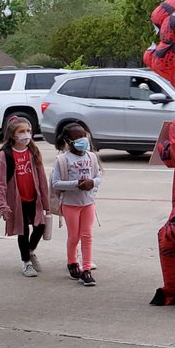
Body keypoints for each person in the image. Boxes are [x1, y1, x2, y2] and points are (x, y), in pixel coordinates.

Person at [0, 115, 49, 278]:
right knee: (22, 231)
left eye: (28, 131)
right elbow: (1, 182)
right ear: (13, 135)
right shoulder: (6, 154)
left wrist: (46, 202)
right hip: (17, 201)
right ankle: (26, 262)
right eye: (22, 131)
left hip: (34, 198)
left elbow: (42, 178)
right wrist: (3, 205)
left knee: (40, 226)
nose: (26, 135)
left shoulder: (33, 151)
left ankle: (30, 250)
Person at [50, 122, 102, 287]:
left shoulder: (91, 157)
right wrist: (76, 184)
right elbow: (56, 183)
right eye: (77, 137)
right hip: (70, 204)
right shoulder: (62, 160)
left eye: (83, 136)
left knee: (87, 235)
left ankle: (86, 269)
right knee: (74, 236)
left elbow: (98, 176)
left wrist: (92, 182)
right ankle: (72, 262)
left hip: (88, 203)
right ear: (68, 140)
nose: (82, 140)